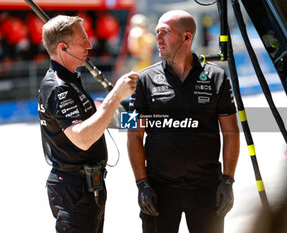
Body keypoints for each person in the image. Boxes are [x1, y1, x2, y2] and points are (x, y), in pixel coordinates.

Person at [127, 10, 240, 233]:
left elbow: (231, 132)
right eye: (156, 32)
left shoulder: (217, 76)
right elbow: (133, 134)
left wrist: (228, 180)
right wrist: (142, 183)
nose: (157, 39)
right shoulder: (144, 79)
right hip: (159, 190)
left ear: (186, 38)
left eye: (165, 33)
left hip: (205, 188)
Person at [38, 15, 138, 233]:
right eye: (83, 41)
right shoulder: (58, 87)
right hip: (74, 190)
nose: (90, 45)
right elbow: (82, 138)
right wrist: (116, 95)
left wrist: (142, 121)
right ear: (63, 47)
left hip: (87, 186)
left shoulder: (71, 79)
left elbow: (99, 119)